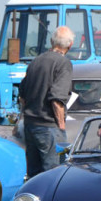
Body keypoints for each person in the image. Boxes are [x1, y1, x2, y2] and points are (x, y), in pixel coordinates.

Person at [20, 26, 74, 177]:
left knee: (34, 176)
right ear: (70, 45)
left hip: (30, 126)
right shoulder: (64, 64)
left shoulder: (35, 61)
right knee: (55, 176)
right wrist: (61, 129)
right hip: (50, 127)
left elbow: (22, 97)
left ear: (52, 41)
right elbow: (57, 99)